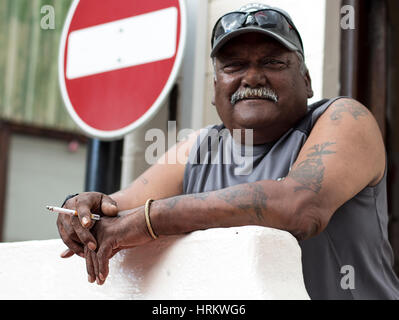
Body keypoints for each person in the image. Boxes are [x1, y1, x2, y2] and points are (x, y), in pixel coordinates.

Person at [56, 3, 399, 299]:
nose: (252, 77)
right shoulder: (201, 147)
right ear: (215, 88)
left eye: (272, 63)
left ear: (307, 80)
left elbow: (301, 206)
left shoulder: (345, 118)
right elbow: (114, 213)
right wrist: (80, 211)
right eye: (233, 66)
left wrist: (152, 219)